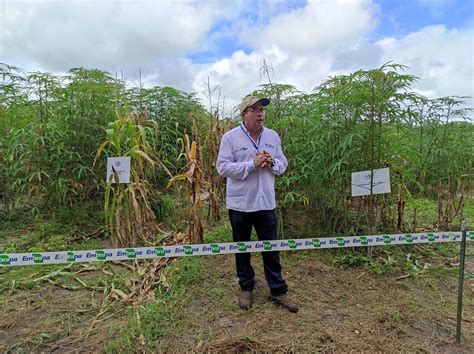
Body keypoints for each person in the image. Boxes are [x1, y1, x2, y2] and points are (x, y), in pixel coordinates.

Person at [216, 95, 299, 313]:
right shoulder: (230, 138)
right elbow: (222, 168)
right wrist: (251, 164)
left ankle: (278, 290)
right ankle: (246, 287)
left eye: (262, 109)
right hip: (240, 205)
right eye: (254, 109)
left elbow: (283, 163)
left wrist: (272, 162)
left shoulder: (272, 136)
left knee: (270, 248)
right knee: (242, 248)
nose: (260, 113)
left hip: (266, 203)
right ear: (244, 114)